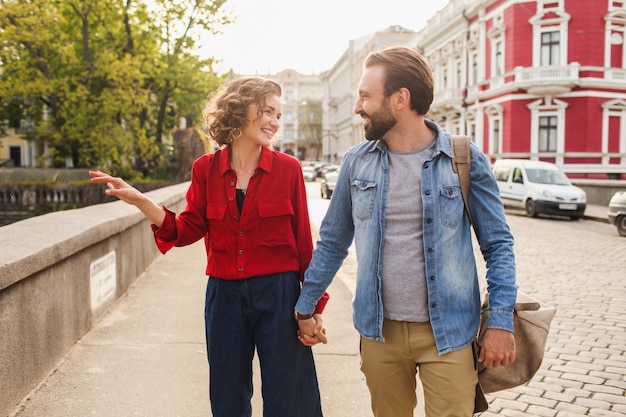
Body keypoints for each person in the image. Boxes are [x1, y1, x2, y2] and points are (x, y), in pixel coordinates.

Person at [293, 46, 517, 417]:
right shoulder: (355, 162)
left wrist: (500, 322)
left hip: (449, 334)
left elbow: (498, 246)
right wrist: (305, 308)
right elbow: (332, 243)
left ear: (400, 99)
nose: (357, 107)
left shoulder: (463, 158)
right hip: (379, 332)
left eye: (365, 96)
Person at [90, 76, 329, 417]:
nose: (275, 122)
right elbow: (187, 230)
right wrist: (142, 201)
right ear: (240, 110)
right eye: (266, 111)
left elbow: (305, 247)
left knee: (290, 398)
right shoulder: (205, 169)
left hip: (279, 295)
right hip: (224, 298)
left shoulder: (288, 170)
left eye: (278, 114)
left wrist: (312, 308)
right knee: (227, 397)